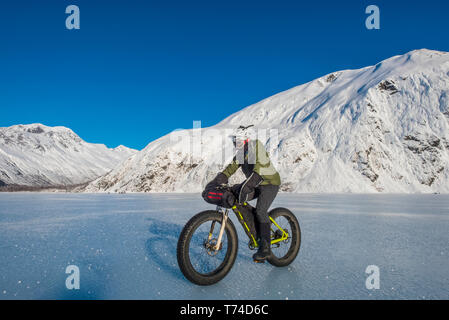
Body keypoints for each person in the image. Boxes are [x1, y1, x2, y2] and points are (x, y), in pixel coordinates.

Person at [208, 125, 281, 262]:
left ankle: (265, 248)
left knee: (260, 210)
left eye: (239, 141)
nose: (236, 144)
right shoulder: (240, 155)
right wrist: (218, 180)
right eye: (235, 142)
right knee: (236, 194)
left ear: (246, 139)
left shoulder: (256, 146)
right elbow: (230, 169)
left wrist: (246, 186)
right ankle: (255, 225)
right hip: (255, 183)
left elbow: (259, 168)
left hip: (269, 182)